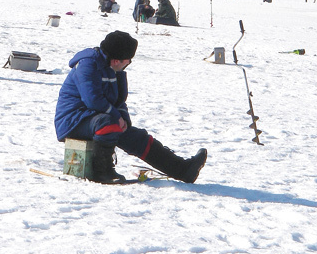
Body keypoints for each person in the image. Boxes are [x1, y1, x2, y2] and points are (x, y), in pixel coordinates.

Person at [54, 30, 207, 184]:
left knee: (135, 137)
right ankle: (102, 172)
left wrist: (124, 119)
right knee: (108, 123)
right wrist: (116, 116)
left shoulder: (114, 69)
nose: (128, 63)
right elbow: (92, 100)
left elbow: (118, 100)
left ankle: (183, 170)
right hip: (73, 121)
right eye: (128, 60)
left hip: (96, 118)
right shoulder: (87, 65)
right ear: (116, 60)